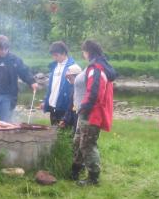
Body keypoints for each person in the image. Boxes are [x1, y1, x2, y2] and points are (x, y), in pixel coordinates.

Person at [72, 40, 117, 185]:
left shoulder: (96, 68)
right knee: (78, 141)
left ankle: (93, 178)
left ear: (87, 52)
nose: (83, 55)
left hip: (92, 113)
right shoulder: (99, 66)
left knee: (87, 144)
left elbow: (94, 92)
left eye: (83, 52)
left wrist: (84, 107)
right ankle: (75, 170)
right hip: (87, 112)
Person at [0, 35, 38, 122]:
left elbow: (24, 71)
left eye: (5, 49)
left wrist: (32, 82)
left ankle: (5, 136)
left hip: (8, 96)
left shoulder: (14, 59)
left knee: (6, 122)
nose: (3, 52)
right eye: (1, 49)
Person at [43, 41, 76, 125]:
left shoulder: (73, 67)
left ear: (64, 53)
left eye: (56, 55)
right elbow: (51, 87)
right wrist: (45, 101)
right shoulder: (54, 67)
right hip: (53, 106)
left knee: (65, 134)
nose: (54, 58)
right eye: (53, 55)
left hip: (65, 108)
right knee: (54, 133)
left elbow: (76, 90)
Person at [59, 64, 82, 133]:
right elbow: (71, 106)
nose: (68, 80)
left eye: (70, 78)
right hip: (75, 117)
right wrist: (65, 119)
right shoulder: (72, 87)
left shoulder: (83, 89)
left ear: (77, 76)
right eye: (67, 78)